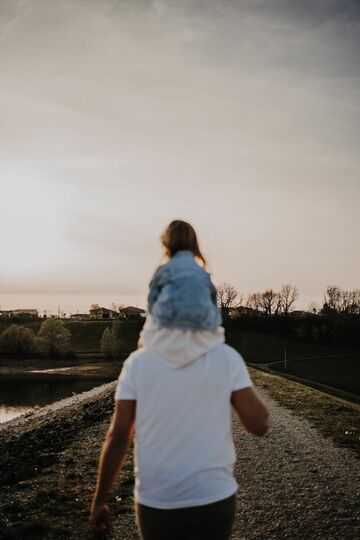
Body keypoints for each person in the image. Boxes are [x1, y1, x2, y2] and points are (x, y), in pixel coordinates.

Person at [89, 220, 270, 540]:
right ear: (208, 303)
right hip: (213, 498)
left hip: (158, 502)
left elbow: (118, 438)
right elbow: (258, 424)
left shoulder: (138, 365)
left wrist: (100, 501)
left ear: (156, 304)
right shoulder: (225, 358)